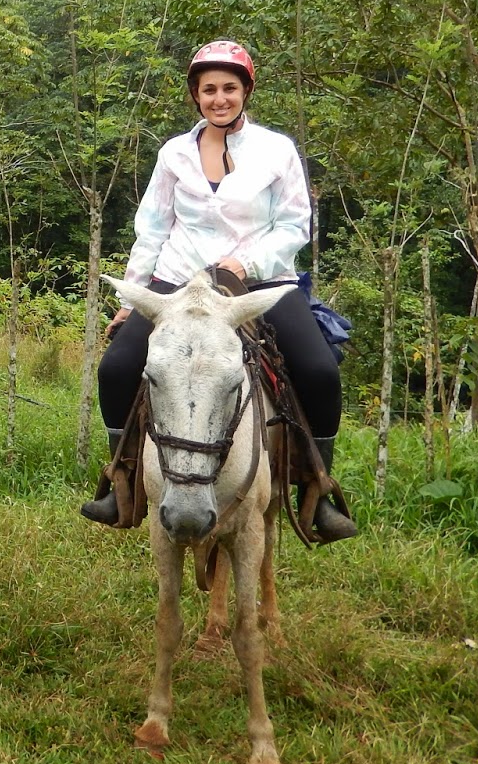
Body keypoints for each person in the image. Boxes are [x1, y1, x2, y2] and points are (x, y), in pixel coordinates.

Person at [80, 41, 358, 542]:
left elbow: (294, 225)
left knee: (319, 371)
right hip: (178, 283)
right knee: (116, 368)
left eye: (229, 88)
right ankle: (122, 482)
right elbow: (152, 229)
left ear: (246, 91)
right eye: (209, 89)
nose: (219, 98)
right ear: (196, 94)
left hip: (261, 283)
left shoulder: (276, 150)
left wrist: (245, 262)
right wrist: (129, 301)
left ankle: (316, 488)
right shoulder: (173, 153)